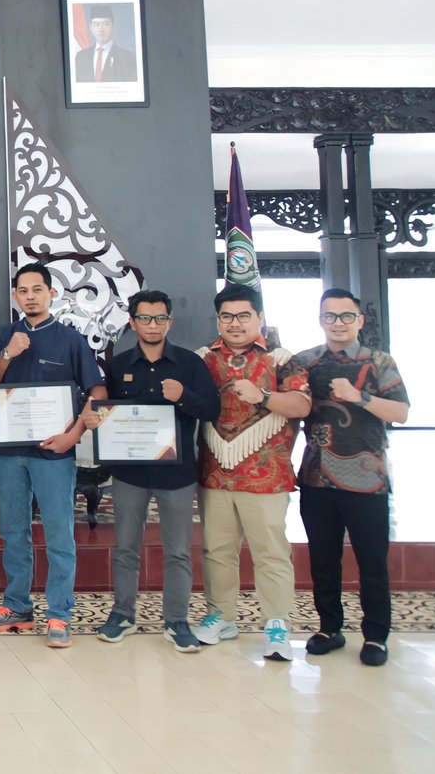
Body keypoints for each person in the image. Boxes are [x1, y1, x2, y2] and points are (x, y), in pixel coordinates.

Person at [0, 262, 105, 648]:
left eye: (37, 289)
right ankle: (17, 606)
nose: (30, 296)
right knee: (12, 530)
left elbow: (97, 393)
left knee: (58, 533)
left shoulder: (71, 340)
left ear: (52, 293)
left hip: (55, 454)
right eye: (23, 290)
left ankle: (59, 614)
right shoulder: (5, 335)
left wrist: (73, 436)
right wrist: (8, 353)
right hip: (9, 452)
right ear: (15, 295)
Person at [92, 289, 219, 653]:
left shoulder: (190, 364)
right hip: (130, 474)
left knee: (178, 551)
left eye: (160, 318)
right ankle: (123, 614)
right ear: (133, 323)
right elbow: (107, 411)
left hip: (176, 475)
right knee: (125, 548)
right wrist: (98, 419)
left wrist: (183, 396)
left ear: (170, 322)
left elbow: (212, 410)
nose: (153, 325)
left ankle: (177, 620)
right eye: (145, 318)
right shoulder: (118, 365)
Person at [293, 288, 410, 667]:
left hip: (366, 481)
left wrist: (359, 397)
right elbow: (292, 411)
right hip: (316, 478)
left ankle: (375, 636)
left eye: (346, 316)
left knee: (372, 561)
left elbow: (401, 412)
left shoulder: (379, 362)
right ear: (320, 320)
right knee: (323, 560)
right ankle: (330, 628)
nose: (338, 323)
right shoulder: (305, 362)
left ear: (359, 321)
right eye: (330, 316)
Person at [194, 283, 311, 661]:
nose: (235, 323)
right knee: (217, 551)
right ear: (218, 320)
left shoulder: (282, 358)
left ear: (260, 317)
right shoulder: (203, 359)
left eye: (244, 315)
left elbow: (302, 405)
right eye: (226, 316)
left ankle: (277, 624)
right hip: (214, 473)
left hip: (266, 476)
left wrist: (263, 397)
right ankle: (221, 616)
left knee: (270, 553)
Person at [72, 4, 137, 83]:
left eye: (106, 24)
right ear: (91, 28)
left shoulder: (127, 58)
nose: (101, 29)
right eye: (96, 24)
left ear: (114, 27)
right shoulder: (81, 56)